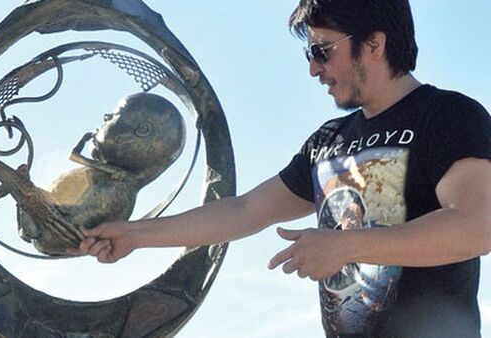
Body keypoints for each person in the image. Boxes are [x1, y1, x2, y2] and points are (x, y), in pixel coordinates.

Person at [68, 0, 491, 337]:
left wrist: (346, 246)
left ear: (374, 44)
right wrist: (134, 235)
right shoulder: (329, 140)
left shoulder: (451, 116)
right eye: (310, 53)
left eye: (322, 51)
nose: (312, 69)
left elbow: (476, 227)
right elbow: (244, 211)